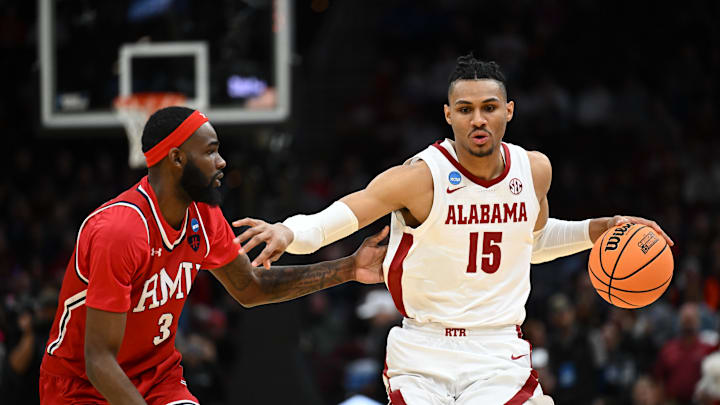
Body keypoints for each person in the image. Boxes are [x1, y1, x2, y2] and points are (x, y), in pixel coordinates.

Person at [233, 54, 674, 405]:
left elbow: (533, 243)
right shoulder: (421, 176)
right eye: (465, 110)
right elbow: (350, 210)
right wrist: (291, 232)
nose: (477, 119)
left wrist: (598, 229)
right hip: (424, 349)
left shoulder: (534, 169)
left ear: (509, 111)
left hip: (498, 350)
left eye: (488, 108)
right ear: (448, 115)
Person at [38, 106, 389, 405]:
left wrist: (349, 268)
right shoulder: (121, 231)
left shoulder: (203, 216)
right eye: (210, 151)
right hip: (81, 387)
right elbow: (99, 360)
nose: (222, 162)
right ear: (176, 158)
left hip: (158, 378)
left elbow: (250, 287)